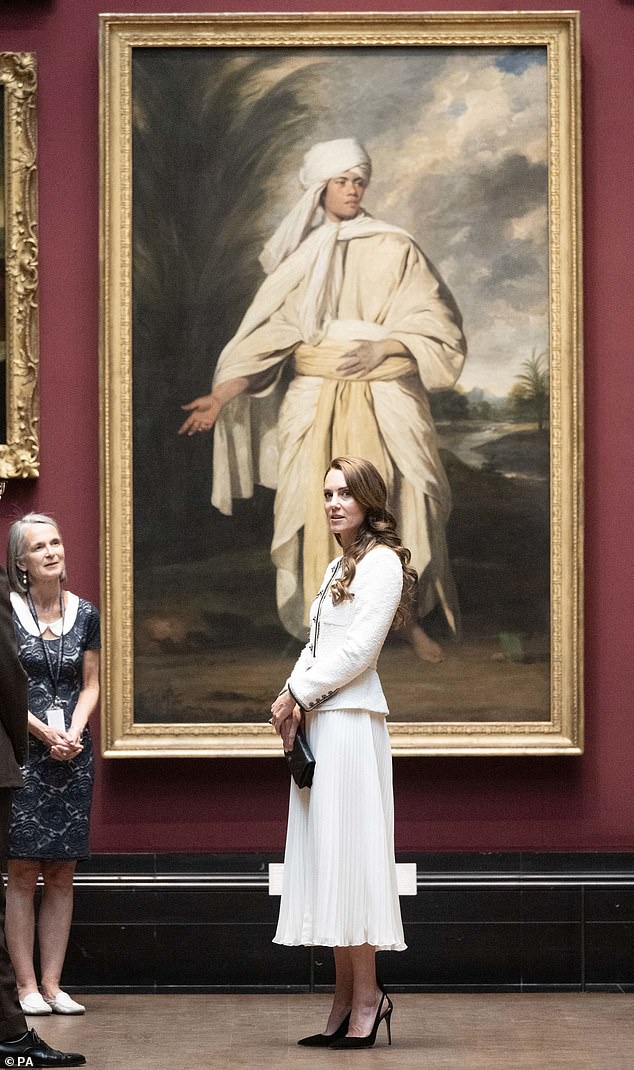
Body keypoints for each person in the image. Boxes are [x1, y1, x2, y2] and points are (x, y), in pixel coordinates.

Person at [179, 137, 466, 662]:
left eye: (359, 181)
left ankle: (401, 628)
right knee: (316, 512)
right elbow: (267, 339)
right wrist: (220, 396)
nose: (353, 190)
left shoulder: (395, 246)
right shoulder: (300, 259)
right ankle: (324, 625)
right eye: (342, 181)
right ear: (320, 189)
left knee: (387, 512)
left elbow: (437, 326)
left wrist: (387, 344)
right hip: (313, 404)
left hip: (383, 402)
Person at [270, 455, 417, 1049]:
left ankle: (367, 999)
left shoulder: (381, 564)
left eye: (345, 494)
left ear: (368, 501)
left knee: (352, 859)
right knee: (331, 860)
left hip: (352, 726)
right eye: (328, 493)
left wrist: (299, 693)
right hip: (322, 724)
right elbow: (317, 644)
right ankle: (343, 998)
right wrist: (290, 695)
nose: (333, 503)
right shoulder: (339, 564)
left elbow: (359, 651)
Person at [4, 513, 99, 1019]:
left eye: (56, 542)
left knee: (62, 872)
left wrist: (76, 731)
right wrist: (43, 732)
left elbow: (91, 684)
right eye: (39, 546)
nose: (51, 552)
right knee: (21, 872)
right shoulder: (5, 612)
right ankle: (24, 988)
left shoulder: (85, 614)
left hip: (73, 757)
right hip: (23, 753)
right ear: (21, 561)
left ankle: (54, 984)